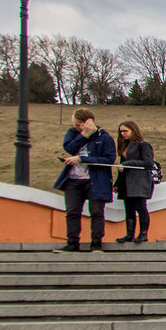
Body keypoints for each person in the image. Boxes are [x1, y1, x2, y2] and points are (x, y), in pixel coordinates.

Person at [53, 108, 117, 253]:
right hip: (73, 180)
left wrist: (82, 159)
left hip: (96, 180)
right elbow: (69, 148)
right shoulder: (73, 134)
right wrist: (83, 135)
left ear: (85, 122)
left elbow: (109, 159)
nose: (74, 127)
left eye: (77, 124)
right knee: (72, 212)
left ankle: (96, 244)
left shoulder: (104, 138)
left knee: (96, 212)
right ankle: (72, 243)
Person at [114, 121, 156, 243]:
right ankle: (129, 234)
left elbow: (149, 163)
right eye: (121, 131)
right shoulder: (125, 146)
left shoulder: (143, 145)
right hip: (126, 181)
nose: (122, 134)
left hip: (139, 181)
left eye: (125, 131)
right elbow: (122, 167)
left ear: (133, 130)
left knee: (140, 207)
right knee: (129, 208)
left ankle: (143, 234)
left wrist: (127, 164)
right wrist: (117, 183)